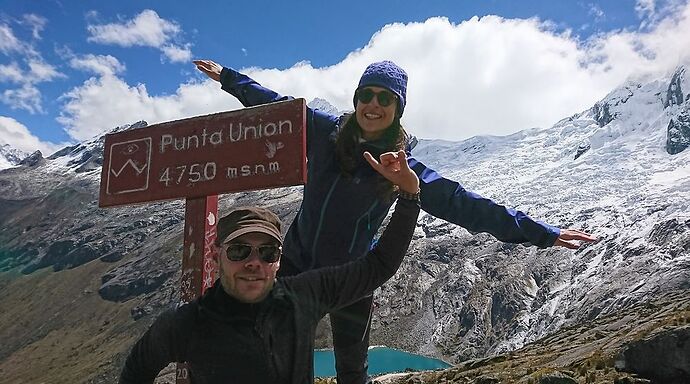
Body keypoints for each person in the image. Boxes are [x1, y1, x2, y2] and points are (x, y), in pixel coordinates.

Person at [193, 59, 597, 384]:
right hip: (296, 264)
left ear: (397, 108)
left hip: (352, 280)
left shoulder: (401, 167)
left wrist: (545, 233)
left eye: (385, 99)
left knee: (352, 369)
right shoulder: (323, 131)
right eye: (366, 94)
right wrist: (229, 78)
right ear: (355, 99)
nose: (373, 104)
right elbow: (277, 106)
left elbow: (467, 206)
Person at [118, 150, 421, 384]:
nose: (254, 262)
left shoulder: (303, 296)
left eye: (267, 252)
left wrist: (409, 196)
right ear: (216, 255)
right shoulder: (187, 323)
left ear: (278, 259)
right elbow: (137, 368)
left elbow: (377, 267)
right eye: (239, 250)